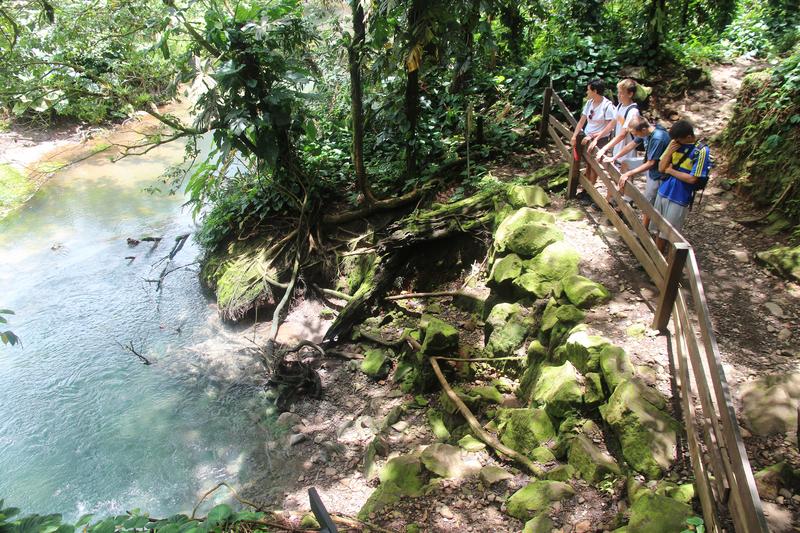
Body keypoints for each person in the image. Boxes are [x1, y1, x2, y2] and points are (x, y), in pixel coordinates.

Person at [650, 120, 712, 252]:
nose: (677, 142)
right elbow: (661, 168)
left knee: (669, 232)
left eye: (679, 139)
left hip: (680, 195)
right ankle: (654, 257)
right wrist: (668, 153)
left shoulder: (701, 151)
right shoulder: (674, 144)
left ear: (689, 137)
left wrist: (671, 171)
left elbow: (692, 179)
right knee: (657, 227)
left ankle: (662, 262)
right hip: (664, 190)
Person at [604, 116, 671, 229]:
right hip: (648, 161)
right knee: (626, 164)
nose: (635, 136)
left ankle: (644, 233)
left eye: (636, 133)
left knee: (647, 202)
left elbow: (651, 163)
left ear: (643, 129)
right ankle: (627, 200)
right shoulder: (646, 132)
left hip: (657, 171)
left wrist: (628, 174)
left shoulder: (657, 138)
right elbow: (631, 145)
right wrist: (614, 157)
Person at [594, 79, 640, 202]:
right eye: (618, 92)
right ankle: (609, 202)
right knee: (614, 177)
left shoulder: (633, 111)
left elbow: (622, 134)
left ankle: (623, 208)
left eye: (621, 93)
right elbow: (612, 124)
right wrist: (597, 137)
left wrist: (604, 148)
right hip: (617, 149)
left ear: (630, 94)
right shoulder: (620, 106)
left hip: (626, 152)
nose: (619, 95)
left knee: (624, 182)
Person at [570, 78, 614, 197]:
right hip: (586, 137)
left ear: (595, 91)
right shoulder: (589, 103)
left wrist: (595, 136)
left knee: (594, 166)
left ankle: (589, 192)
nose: (587, 92)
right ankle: (587, 189)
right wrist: (575, 136)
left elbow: (611, 125)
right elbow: (582, 121)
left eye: (588, 90)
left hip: (600, 140)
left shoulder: (607, 106)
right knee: (588, 164)